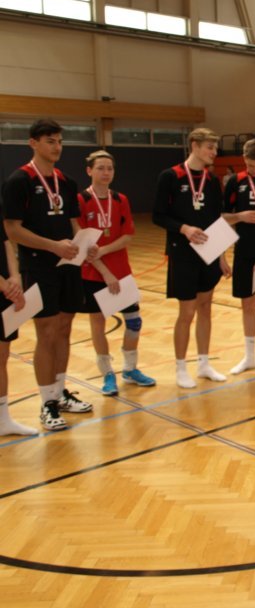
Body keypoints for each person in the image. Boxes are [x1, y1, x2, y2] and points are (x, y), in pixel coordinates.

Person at [2, 119, 94, 431]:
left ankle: (60, 391)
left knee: (65, 329)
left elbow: (74, 223)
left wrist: (85, 244)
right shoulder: (19, 181)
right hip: (38, 266)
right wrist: (53, 246)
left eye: (59, 141)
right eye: (50, 141)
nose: (57, 147)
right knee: (48, 332)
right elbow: (13, 230)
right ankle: (46, 403)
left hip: (68, 265)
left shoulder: (66, 182)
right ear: (33, 143)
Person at [152, 127, 230, 388]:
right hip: (182, 252)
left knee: (206, 307)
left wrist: (221, 255)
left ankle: (204, 363)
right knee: (187, 311)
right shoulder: (170, 177)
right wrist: (184, 229)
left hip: (209, 252)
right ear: (195, 145)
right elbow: (158, 215)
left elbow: (216, 220)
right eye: (210, 147)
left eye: (215, 148)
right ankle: (181, 368)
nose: (214, 152)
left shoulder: (212, 181)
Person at [78, 150, 156, 396]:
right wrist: (104, 271)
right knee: (98, 324)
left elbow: (128, 235)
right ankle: (107, 374)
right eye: (100, 168)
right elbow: (82, 244)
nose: (106, 172)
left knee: (134, 322)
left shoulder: (121, 199)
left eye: (109, 168)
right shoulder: (81, 200)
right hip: (93, 274)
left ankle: (130, 369)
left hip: (121, 272)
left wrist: (103, 250)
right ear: (89, 171)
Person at [222, 138, 255, 374]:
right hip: (244, 252)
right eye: (250, 165)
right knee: (247, 303)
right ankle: (249, 356)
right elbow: (222, 216)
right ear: (244, 159)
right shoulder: (235, 182)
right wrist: (240, 217)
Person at [0, 204, 34, 436]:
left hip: (6, 289)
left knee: (2, 356)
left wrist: (15, 276)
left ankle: (3, 420)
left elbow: (5, 241)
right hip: (4, 288)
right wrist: (5, 285)